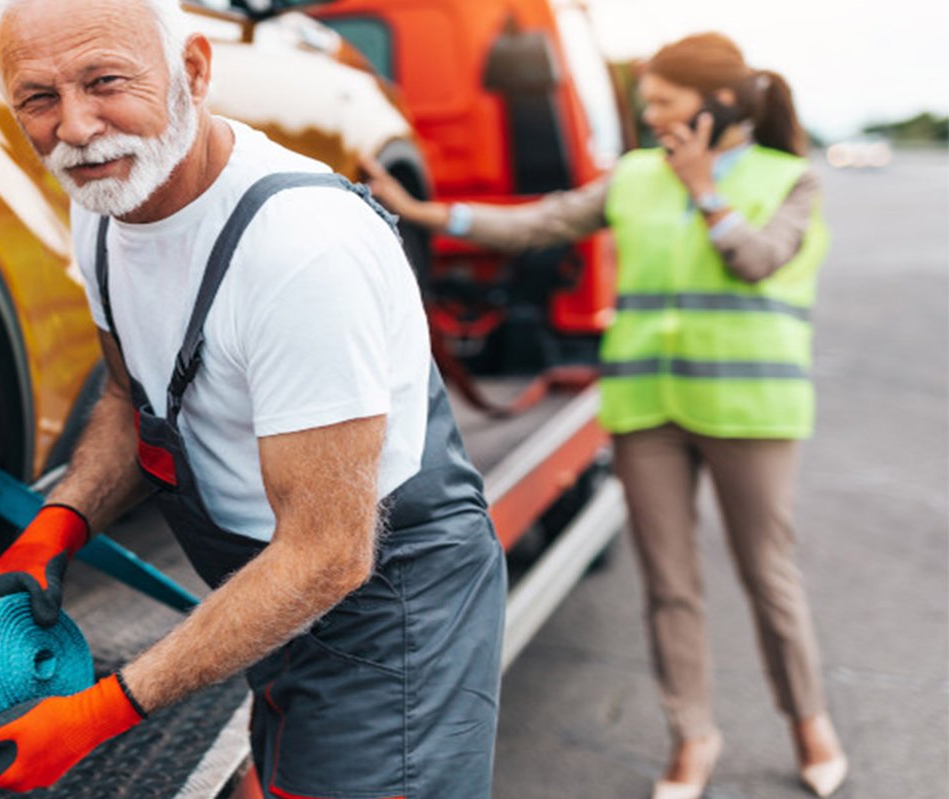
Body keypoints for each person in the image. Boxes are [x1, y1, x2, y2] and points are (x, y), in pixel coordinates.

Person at [0, 0, 508, 796]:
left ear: (194, 71)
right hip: (266, 588)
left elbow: (328, 553)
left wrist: (95, 716)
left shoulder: (299, 251)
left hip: (381, 603)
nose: (73, 127)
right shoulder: (107, 199)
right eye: (37, 97)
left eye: (105, 81)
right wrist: (53, 532)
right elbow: (130, 399)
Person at [361, 31, 846, 799]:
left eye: (662, 101)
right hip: (647, 407)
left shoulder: (791, 179)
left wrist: (704, 191)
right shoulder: (634, 177)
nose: (648, 114)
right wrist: (425, 210)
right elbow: (538, 221)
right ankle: (692, 737)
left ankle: (809, 721)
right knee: (669, 584)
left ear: (716, 103)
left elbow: (756, 260)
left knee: (768, 576)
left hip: (750, 410)